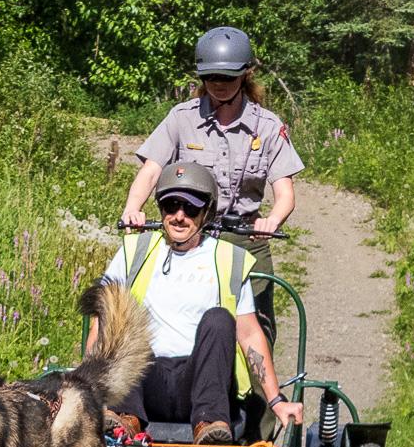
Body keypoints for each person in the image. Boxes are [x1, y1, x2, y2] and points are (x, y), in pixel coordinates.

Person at [92, 163, 303, 447]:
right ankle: (125, 423)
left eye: (190, 207)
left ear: (206, 212)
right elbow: (101, 325)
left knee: (218, 319)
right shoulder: (134, 252)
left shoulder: (227, 259)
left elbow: (249, 334)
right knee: (119, 309)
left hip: (202, 384)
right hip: (143, 381)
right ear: (160, 208)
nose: (179, 216)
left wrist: (275, 401)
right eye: (170, 205)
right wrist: (85, 387)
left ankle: (211, 429)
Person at [119, 26, 303, 343]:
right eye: (211, 78)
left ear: (246, 75)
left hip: (246, 239)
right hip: (192, 234)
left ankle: (261, 391)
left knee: (255, 329)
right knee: (178, 325)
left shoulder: (268, 126)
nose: (218, 85)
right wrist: (132, 209)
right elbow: (151, 171)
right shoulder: (181, 118)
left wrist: (272, 220)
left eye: (227, 78)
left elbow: (285, 192)